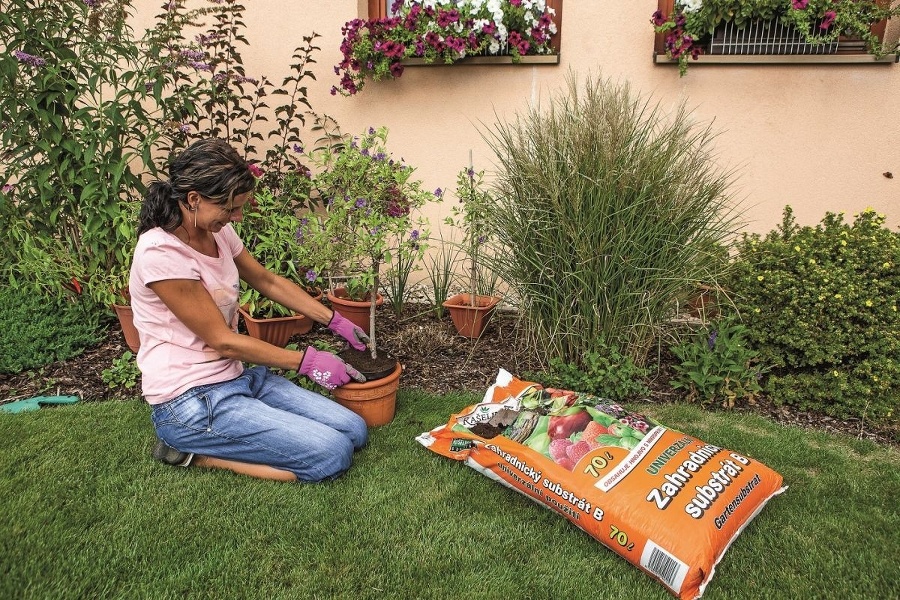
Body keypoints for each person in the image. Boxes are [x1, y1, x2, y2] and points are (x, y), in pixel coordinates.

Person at [130, 137, 370, 483]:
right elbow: (223, 341)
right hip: (190, 401)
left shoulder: (218, 233)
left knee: (355, 430)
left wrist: (335, 320)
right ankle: (193, 455)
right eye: (229, 208)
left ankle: (246, 424)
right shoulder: (161, 254)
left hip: (237, 377)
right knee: (331, 454)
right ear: (193, 199)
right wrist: (308, 362)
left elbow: (266, 281)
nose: (237, 217)